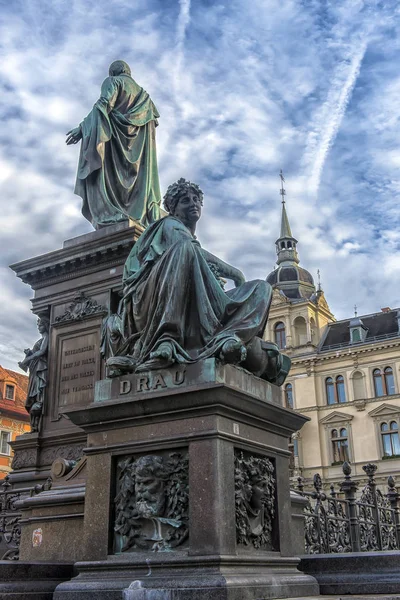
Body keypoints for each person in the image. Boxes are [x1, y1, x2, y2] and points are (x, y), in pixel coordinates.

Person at [108, 178, 289, 384]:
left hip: (200, 304)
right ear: (173, 209)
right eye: (185, 200)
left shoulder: (190, 243)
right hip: (154, 301)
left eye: (196, 199)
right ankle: (167, 338)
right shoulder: (169, 225)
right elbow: (189, 249)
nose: (193, 203)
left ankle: (230, 337)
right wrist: (234, 273)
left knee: (262, 288)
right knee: (185, 249)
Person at [66, 60, 161, 229]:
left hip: (114, 149)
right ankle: (136, 211)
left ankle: (114, 213)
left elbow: (103, 104)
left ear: (113, 72)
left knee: (108, 185)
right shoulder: (146, 99)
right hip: (139, 161)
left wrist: (81, 129)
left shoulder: (113, 82)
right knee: (132, 188)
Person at [18, 318, 49, 433]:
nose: (39, 327)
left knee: (37, 397)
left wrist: (28, 359)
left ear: (45, 326)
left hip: (41, 369)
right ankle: (35, 427)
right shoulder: (42, 338)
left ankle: (36, 426)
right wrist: (29, 354)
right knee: (34, 398)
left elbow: (42, 352)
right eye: (38, 325)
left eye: (40, 325)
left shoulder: (47, 336)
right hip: (36, 369)